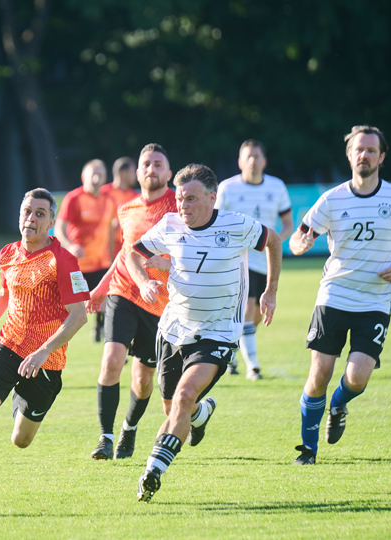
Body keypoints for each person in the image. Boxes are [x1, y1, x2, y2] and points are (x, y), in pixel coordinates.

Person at [125, 164, 282, 501]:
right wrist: (144, 281)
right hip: (173, 329)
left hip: (218, 331)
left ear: (212, 198)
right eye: (180, 199)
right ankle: (201, 413)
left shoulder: (236, 225)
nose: (183, 206)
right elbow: (134, 253)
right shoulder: (169, 225)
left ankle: (153, 470)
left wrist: (270, 290)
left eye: (192, 199)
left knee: (183, 397)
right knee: (175, 409)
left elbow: (274, 241)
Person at [0, 188, 90, 518]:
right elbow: (6, 293)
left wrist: (42, 351)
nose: (32, 219)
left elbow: (79, 315)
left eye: (40, 213)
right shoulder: (8, 253)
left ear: (52, 221)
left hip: (46, 361)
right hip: (8, 346)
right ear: (19, 215)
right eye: (27, 211)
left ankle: (20, 400)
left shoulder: (63, 260)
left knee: (21, 440)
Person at [289, 126, 391, 465]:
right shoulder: (332, 199)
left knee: (357, 377)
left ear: (382, 157)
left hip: (376, 300)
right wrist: (300, 244)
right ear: (349, 155)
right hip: (334, 295)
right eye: (358, 149)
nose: (364, 155)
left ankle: (339, 403)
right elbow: (298, 237)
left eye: (370, 150)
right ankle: (308, 450)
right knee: (319, 374)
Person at [86, 144, 175, 460]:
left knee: (143, 378)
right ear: (137, 173)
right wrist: (99, 288)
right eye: (146, 164)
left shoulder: (180, 207)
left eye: (158, 164)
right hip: (123, 292)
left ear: (169, 173)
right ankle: (105, 438)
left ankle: (129, 428)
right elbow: (125, 254)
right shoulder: (126, 209)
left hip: (160, 305)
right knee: (111, 360)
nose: (151, 169)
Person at [215, 140, 293, 381]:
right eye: (248, 156)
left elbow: (288, 222)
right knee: (247, 308)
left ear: (264, 161)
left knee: (255, 315)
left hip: (264, 260)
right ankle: (254, 366)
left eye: (257, 156)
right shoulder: (227, 188)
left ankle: (232, 352)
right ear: (240, 161)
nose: (253, 161)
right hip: (237, 259)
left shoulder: (277, 186)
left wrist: (275, 242)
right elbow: (216, 221)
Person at [56, 159, 118, 341]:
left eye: (101, 173)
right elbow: (60, 228)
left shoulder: (109, 200)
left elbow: (112, 229)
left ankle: (111, 344)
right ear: (84, 176)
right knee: (70, 310)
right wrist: (70, 246)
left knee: (110, 304)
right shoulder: (74, 198)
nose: (97, 177)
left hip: (103, 263)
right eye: (93, 173)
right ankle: (54, 343)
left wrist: (114, 256)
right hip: (78, 266)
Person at [102, 156, 140, 256]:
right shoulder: (103, 193)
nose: (136, 175)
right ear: (123, 173)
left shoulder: (136, 196)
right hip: (104, 250)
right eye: (133, 172)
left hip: (127, 248)